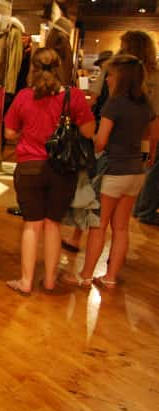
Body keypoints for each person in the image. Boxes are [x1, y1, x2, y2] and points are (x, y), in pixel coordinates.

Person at [3, 48, 95, 295]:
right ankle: (51, 281)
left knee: (32, 225)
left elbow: (9, 133)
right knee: (53, 224)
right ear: (60, 67)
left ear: (33, 68)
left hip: (29, 167)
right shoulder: (73, 97)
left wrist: (29, 132)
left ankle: (25, 281)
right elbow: (88, 131)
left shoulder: (23, 97)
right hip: (62, 169)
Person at [62, 55, 159, 288]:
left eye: (111, 75)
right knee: (122, 227)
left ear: (120, 78)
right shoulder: (145, 104)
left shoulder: (114, 104)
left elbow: (101, 141)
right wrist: (149, 157)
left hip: (113, 171)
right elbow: (154, 135)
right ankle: (111, 277)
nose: (107, 80)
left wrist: (90, 140)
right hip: (135, 172)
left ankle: (85, 275)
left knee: (98, 225)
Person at [61, 49, 114, 253]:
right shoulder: (141, 89)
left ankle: (77, 238)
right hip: (123, 154)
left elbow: (91, 101)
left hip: (100, 142)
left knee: (89, 189)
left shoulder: (112, 96)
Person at [124, 31, 159, 225]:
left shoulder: (122, 74)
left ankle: (140, 208)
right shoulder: (153, 76)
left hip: (129, 132)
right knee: (149, 171)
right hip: (144, 132)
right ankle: (143, 209)